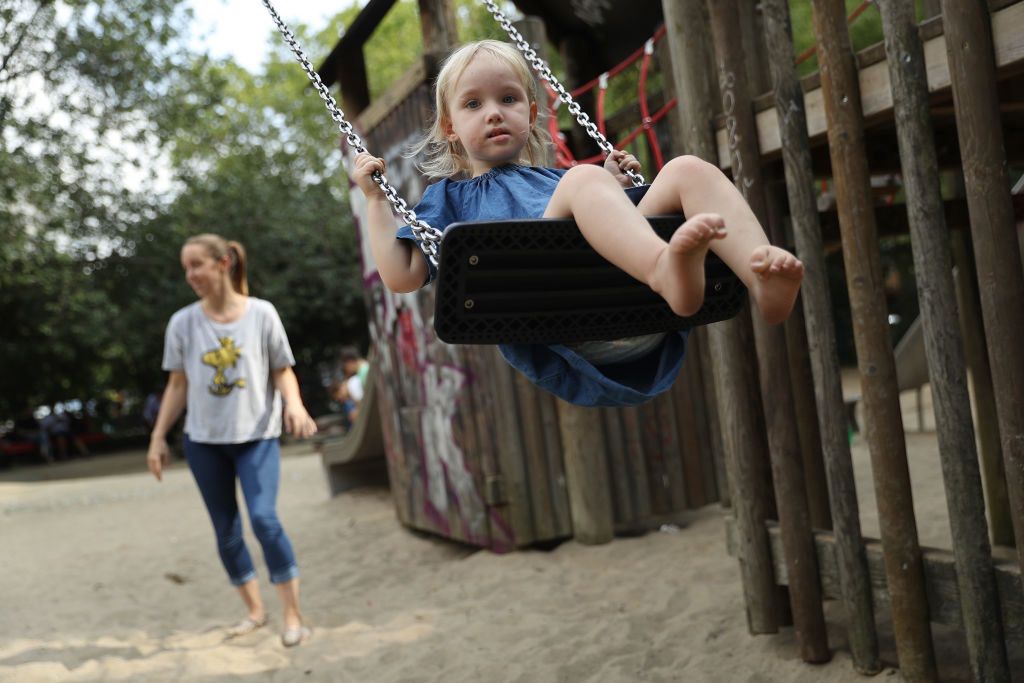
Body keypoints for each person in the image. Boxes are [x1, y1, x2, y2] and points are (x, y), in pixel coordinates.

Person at [352, 40, 804, 407]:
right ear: (450, 127)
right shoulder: (448, 198)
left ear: (530, 116)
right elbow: (401, 275)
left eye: (508, 99)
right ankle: (665, 268)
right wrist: (375, 201)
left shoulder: (563, 180)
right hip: (571, 323)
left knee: (688, 168)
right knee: (583, 178)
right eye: (473, 104)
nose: (494, 112)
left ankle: (761, 282)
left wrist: (612, 186)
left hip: (630, 303)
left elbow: (592, 209)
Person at [145, 234, 318, 647]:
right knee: (226, 531)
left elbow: (282, 369)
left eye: (196, 265)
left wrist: (294, 405)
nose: (190, 276)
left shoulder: (262, 314)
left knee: (264, 519)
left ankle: (292, 615)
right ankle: (255, 612)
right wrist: (157, 437)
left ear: (223, 263)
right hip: (204, 442)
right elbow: (177, 384)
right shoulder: (183, 323)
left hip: (255, 435)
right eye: (185, 268)